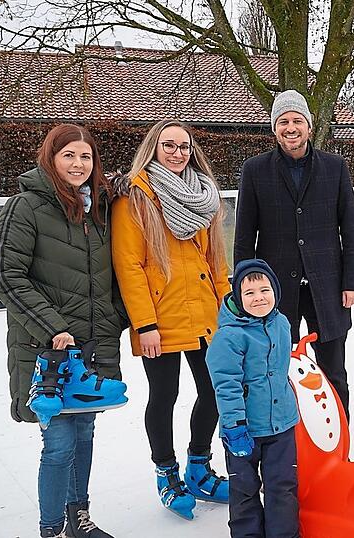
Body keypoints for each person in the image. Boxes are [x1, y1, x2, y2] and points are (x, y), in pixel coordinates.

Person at [0, 124, 125, 537]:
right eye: (69, 155)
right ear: (51, 158)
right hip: (47, 349)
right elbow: (6, 273)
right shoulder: (26, 206)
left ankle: (77, 519)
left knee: (84, 435)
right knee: (59, 444)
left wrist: (114, 320)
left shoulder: (99, 210)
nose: (78, 164)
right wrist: (53, 327)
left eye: (86, 157)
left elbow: (115, 277)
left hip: (92, 348)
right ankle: (50, 528)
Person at [112, 119, 231, 518]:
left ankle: (199, 465)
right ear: (154, 148)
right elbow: (130, 265)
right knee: (165, 396)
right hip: (160, 319)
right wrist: (144, 324)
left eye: (184, 146)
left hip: (204, 313)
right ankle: (166, 472)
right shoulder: (135, 196)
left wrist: (228, 307)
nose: (178, 152)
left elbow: (216, 260)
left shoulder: (204, 196)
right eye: (169, 145)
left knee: (215, 390)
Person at [235, 90, 354, 421]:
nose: (290, 128)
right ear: (274, 128)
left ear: (308, 125)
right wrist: (244, 290)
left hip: (328, 287)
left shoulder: (335, 167)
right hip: (276, 290)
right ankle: (288, 444)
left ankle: (340, 442)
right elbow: (245, 235)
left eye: (296, 120)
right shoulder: (255, 170)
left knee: (334, 372)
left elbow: (350, 228)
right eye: (283, 121)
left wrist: (352, 281)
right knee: (279, 371)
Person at [206, 259, 301, 537]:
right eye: (249, 293)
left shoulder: (282, 323)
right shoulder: (229, 337)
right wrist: (234, 425)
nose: (258, 297)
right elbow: (226, 384)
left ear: (275, 292)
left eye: (264, 290)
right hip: (244, 429)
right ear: (238, 296)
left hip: (281, 426)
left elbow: (281, 371)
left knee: (282, 486)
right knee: (245, 491)